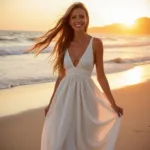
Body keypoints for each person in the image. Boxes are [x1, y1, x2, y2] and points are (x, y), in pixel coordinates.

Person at [28, 2, 123, 150]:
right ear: (69, 21)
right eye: (74, 17)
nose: (78, 20)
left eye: (81, 16)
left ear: (86, 19)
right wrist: (51, 103)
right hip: (64, 98)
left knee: (87, 139)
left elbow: (101, 76)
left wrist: (112, 103)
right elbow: (60, 76)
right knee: (62, 140)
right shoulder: (63, 45)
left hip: (87, 98)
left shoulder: (96, 43)